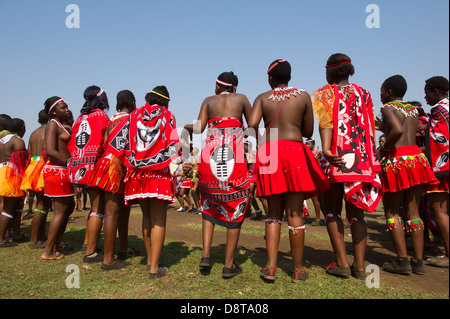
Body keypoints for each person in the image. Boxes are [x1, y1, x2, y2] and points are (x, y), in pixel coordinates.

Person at [249, 59, 329, 283]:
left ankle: (270, 267)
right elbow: (308, 130)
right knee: (295, 213)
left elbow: (252, 123)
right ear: (290, 77)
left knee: (273, 213)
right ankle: (298, 269)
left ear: (271, 79)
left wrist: (260, 142)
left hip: (269, 151)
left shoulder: (262, 97)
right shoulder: (303, 96)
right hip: (294, 150)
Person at [311, 53, 383, 279]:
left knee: (331, 210)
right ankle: (360, 267)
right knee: (357, 214)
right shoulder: (365, 93)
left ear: (330, 71)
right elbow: (369, 126)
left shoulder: (324, 92)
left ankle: (341, 263)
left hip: (337, 158)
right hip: (360, 161)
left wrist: (326, 150)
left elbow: (326, 123)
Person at [105, 86, 179, 279]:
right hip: (158, 174)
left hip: (137, 176)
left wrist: (132, 159)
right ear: (165, 101)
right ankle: (155, 268)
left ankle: (148, 260)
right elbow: (173, 146)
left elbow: (115, 142)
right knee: (158, 220)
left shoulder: (133, 115)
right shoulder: (167, 115)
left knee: (147, 218)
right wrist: (176, 164)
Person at [184, 71, 252, 278]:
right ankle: (228, 265)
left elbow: (198, 127)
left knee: (208, 204)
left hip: (210, 160)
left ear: (217, 86)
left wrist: (185, 128)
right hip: (234, 160)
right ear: (234, 87)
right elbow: (252, 125)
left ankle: (205, 256)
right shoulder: (241, 99)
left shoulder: (208, 101)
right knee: (237, 206)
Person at [377, 75, 437, 275]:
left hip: (397, 161)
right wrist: (382, 127)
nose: (380, 94)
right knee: (413, 213)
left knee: (392, 212)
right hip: (417, 160)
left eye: (382, 90)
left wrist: (384, 150)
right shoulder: (413, 109)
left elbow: (397, 131)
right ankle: (418, 262)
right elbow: (406, 130)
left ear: (390, 92)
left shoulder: (388, 108)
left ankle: (402, 260)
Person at [88, 89, 137, 270]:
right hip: (116, 167)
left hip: (106, 164)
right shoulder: (131, 119)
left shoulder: (111, 120)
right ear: (132, 102)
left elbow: (106, 141)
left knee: (123, 210)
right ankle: (108, 259)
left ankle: (123, 248)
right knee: (112, 213)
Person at [67, 85, 110, 263]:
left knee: (93, 208)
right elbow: (105, 142)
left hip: (78, 167)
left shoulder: (79, 118)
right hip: (94, 167)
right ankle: (90, 253)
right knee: (97, 210)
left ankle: (87, 243)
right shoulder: (101, 117)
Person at [40, 97, 75, 260]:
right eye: (63, 107)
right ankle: (47, 251)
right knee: (60, 211)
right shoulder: (53, 124)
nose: (66, 109)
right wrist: (70, 163)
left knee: (69, 207)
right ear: (53, 111)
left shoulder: (60, 124)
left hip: (62, 170)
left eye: (67, 107)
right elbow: (50, 151)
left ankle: (56, 245)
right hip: (57, 170)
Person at [423, 76, 449, 268]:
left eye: (427, 92)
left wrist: (434, 170)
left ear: (435, 92)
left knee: (440, 211)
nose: (425, 97)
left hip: (443, 170)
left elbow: (438, 142)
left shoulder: (439, 111)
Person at [20, 109, 52, 248]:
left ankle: (41, 235)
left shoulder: (33, 133)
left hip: (33, 167)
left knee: (42, 202)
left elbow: (30, 153)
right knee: (42, 204)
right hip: (43, 166)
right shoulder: (48, 132)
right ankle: (35, 239)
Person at [0, 115, 28, 247]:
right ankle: (1, 239)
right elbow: (21, 162)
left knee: (16, 207)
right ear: (22, 128)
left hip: (3, 171)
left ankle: (17, 235)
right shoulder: (17, 141)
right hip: (12, 174)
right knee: (8, 208)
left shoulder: (3, 140)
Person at [305, 138, 325, 226]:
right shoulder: (306, 153)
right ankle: (326, 217)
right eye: (306, 144)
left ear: (313, 145)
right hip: (310, 177)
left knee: (316, 198)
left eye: (308, 144)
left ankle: (318, 219)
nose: (307, 145)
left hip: (315, 177)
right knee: (318, 199)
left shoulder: (316, 153)